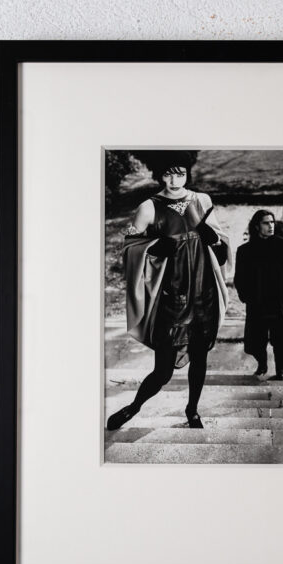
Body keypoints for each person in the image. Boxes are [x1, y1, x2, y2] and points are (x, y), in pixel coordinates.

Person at [106, 151, 230, 430]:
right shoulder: (148, 207)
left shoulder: (203, 201)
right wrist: (153, 248)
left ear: (188, 174)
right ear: (160, 175)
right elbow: (128, 252)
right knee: (162, 370)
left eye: (181, 173)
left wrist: (215, 241)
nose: (175, 179)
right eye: (169, 173)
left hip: (204, 293)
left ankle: (193, 410)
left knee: (200, 359)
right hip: (171, 298)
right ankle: (133, 407)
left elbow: (221, 254)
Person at [233, 210, 283, 380]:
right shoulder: (245, 250)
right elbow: (239, 277)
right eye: (265, 223)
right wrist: (245, 296)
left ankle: (281, 371)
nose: (271, 226)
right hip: (255, 301)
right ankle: (262, 365)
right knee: (256, 337)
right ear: (256, 226)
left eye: (272, 222)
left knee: (280, 337)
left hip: (277, 300)